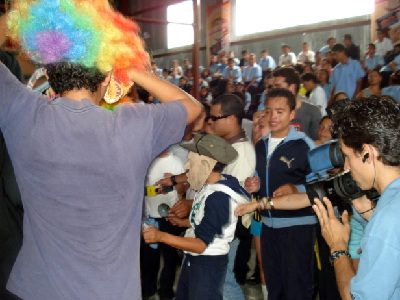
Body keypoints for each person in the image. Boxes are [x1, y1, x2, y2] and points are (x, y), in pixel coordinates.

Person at [1, 1, 202, 299]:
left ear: (50, 73)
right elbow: (193, 107)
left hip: (37, 288)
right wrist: (129, 69)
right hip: (111, 291)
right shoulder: (134, 123)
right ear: (106, 79)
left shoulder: (22, 112)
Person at [143, 133, 251, 300]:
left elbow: (201, 245)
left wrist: (161, 236)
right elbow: (206, 223)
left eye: (191, 162)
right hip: (195, 260)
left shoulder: (218, 198)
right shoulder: (210, 187)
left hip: (207, 265)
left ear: (206, 165)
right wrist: (184, 222)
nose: (187, 165)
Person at [312, 96, 400, 300]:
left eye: (347, 156)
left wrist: (338, 247)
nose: (346, 168)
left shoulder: (388, 218)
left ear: (367, 153)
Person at [245, 88, 317, 300]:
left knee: (297, 285)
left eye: (280, 111)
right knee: (274, 282)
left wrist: (298, 188)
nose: (273, 117)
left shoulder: (304, 145)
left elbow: (321, 182)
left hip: (298, 225)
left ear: (292, 114)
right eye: (269, 111)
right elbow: (259, 176)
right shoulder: (261, 145)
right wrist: (254, 183)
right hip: (268, 224)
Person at [272, 67, 321, 140]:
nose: (274, 90)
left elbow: (317, 142)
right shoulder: (271, 112)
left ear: (292, 87)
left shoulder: (312, 112)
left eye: (278, 86)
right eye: (273, 87)